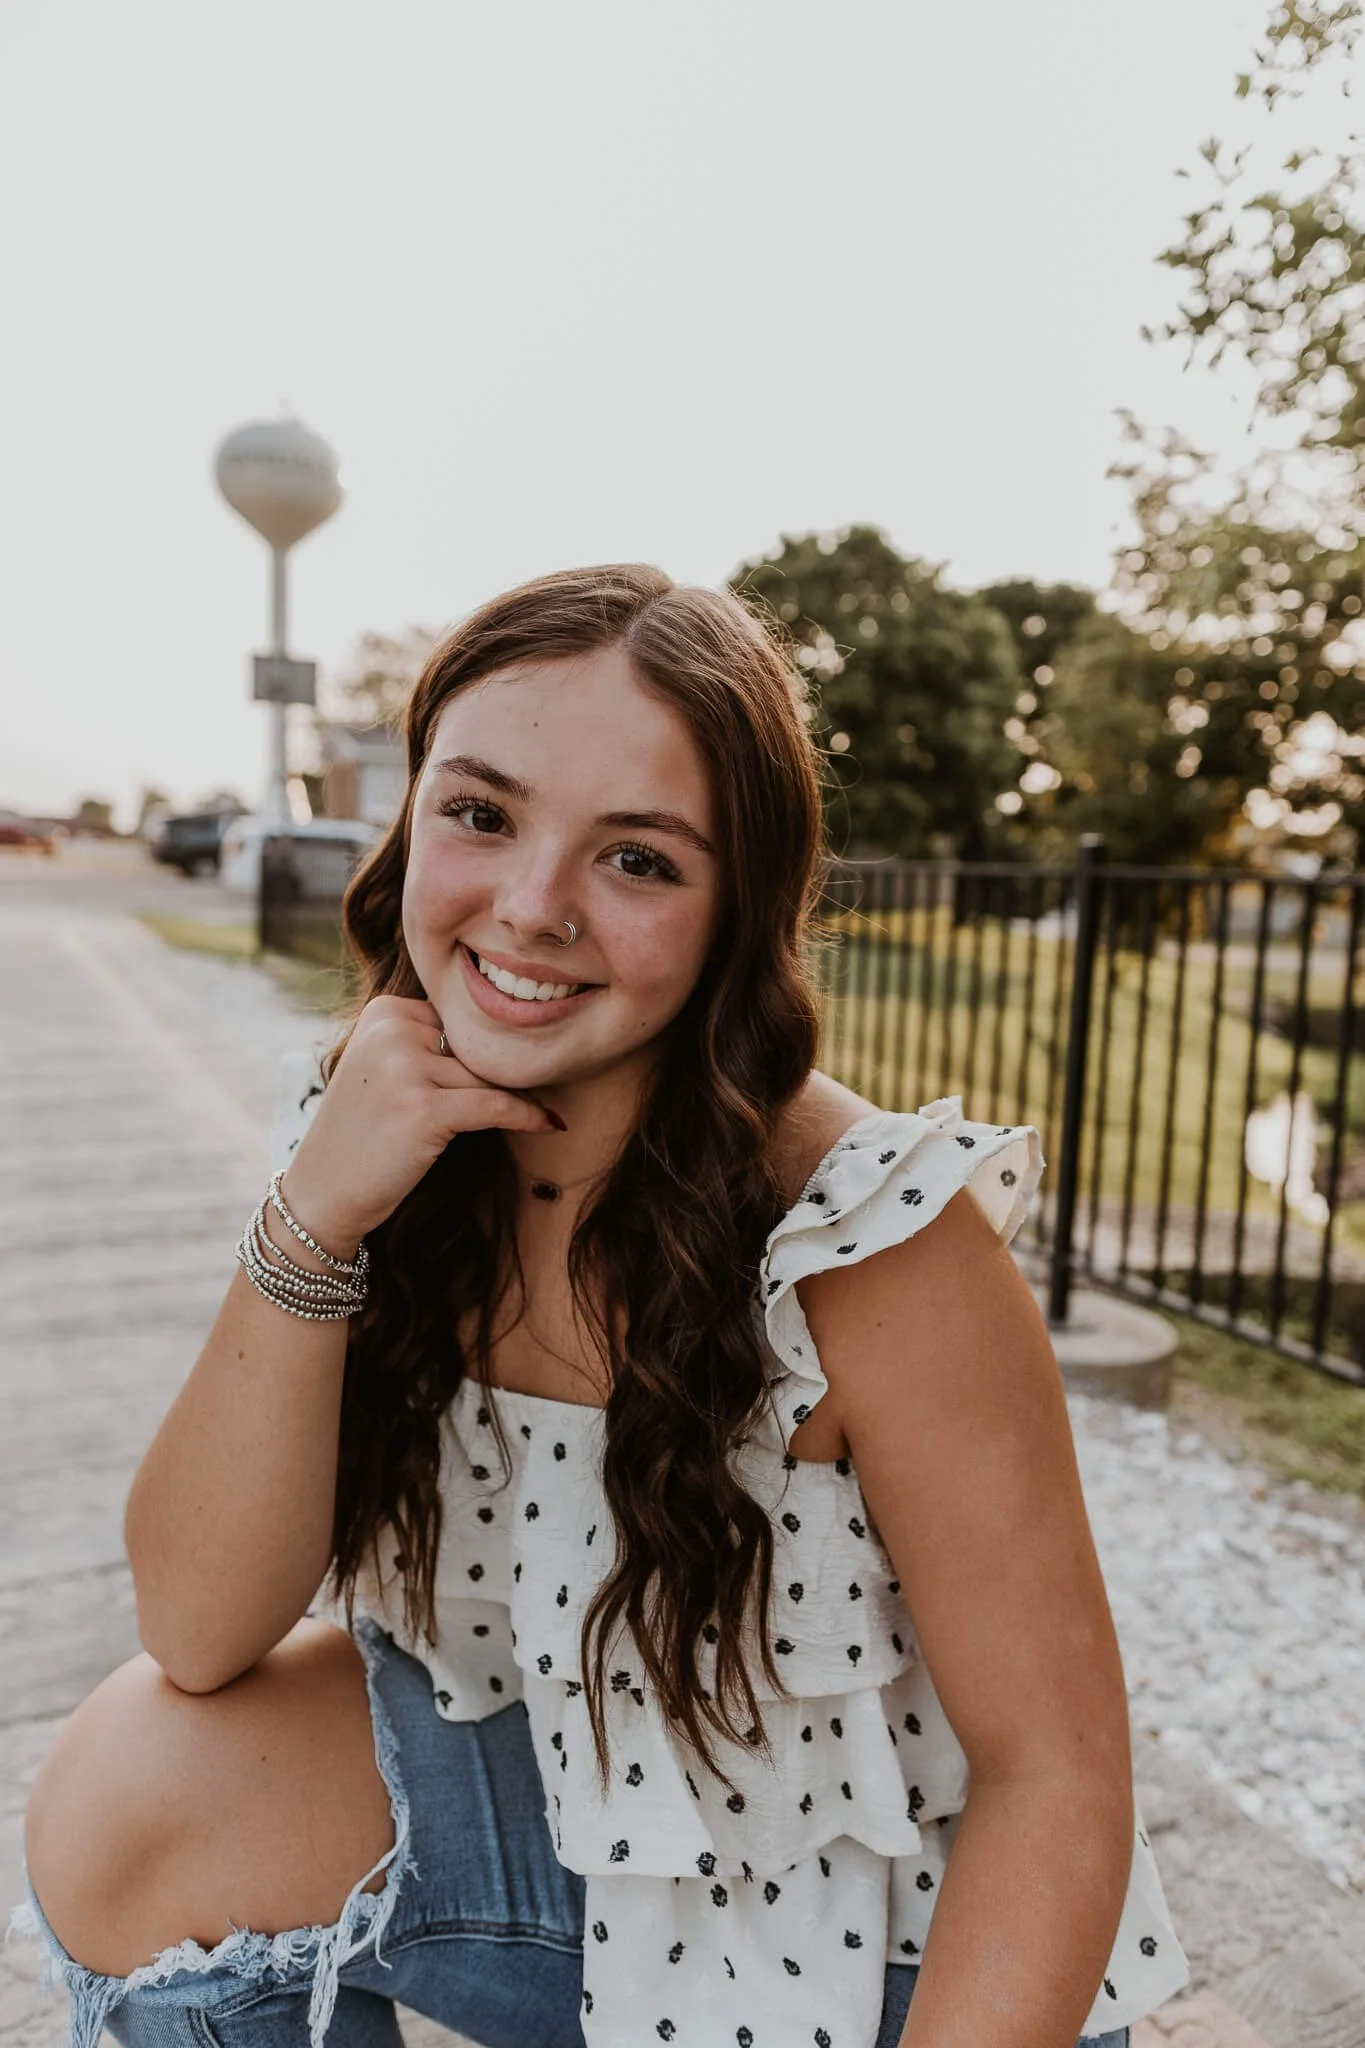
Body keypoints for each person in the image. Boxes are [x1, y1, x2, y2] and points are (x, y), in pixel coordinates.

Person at [16, 565, 1188, 2048]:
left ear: (734, 912)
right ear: (411, 820)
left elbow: (1057, 1781)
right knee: (128, 1799)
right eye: (482, 814)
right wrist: (316, 1216)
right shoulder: (387, 1138)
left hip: (889, 1966)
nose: (529, 907)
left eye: (637, 860)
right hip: (591, 1868)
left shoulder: (874, 1243)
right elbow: (195, 1628)